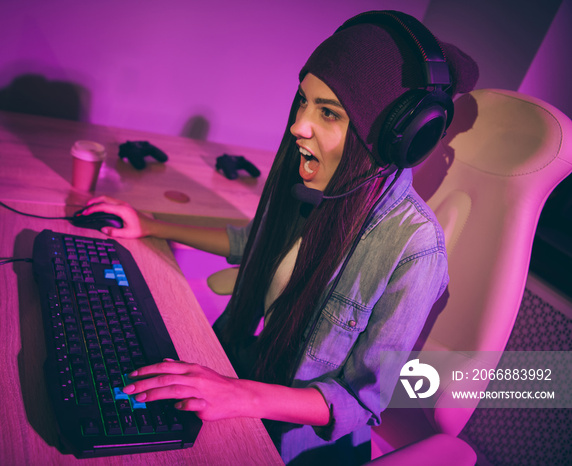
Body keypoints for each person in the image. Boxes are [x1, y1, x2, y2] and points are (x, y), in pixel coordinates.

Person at [82, 10, 478, 464]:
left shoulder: (415, 249)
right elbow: (254, 243)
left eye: (328, 113)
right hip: (247, 387)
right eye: (303, 102)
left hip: (295, 448)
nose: (298, 126)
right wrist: (149, 224)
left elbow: (361, 401)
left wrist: (240, 396)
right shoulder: (321, 187)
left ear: (393, 139)